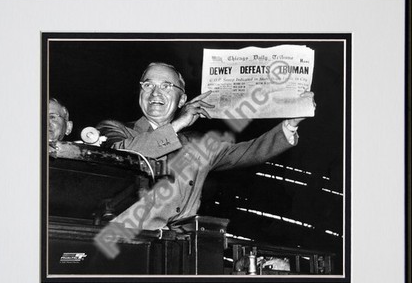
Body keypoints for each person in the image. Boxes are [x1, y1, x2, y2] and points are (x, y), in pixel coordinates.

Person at [97, 62, 315, 230]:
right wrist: (178, 124)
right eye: (148, 85)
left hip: (180, 245)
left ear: (182, 100)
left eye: (166, 86)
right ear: (140, 92)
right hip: (125, 244)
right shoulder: (114, 130)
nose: (155, 93)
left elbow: (249, 152)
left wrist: (290, 124)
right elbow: (123, 156)